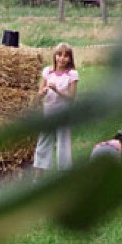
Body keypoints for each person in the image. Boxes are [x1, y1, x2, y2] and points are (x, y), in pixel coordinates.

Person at [33, 42, 79, 172]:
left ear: (70, 59)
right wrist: (42, 93)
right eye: (59, 55)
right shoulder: (48, 72)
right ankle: (39, 172)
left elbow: (71, 98)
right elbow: (40, 93)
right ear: (55, 56)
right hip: (48, 112)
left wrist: (57, 90)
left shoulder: (72, 74)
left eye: (66, 56)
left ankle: (64, 173)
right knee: (43, 141)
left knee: (63, 143)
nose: (62, 58)